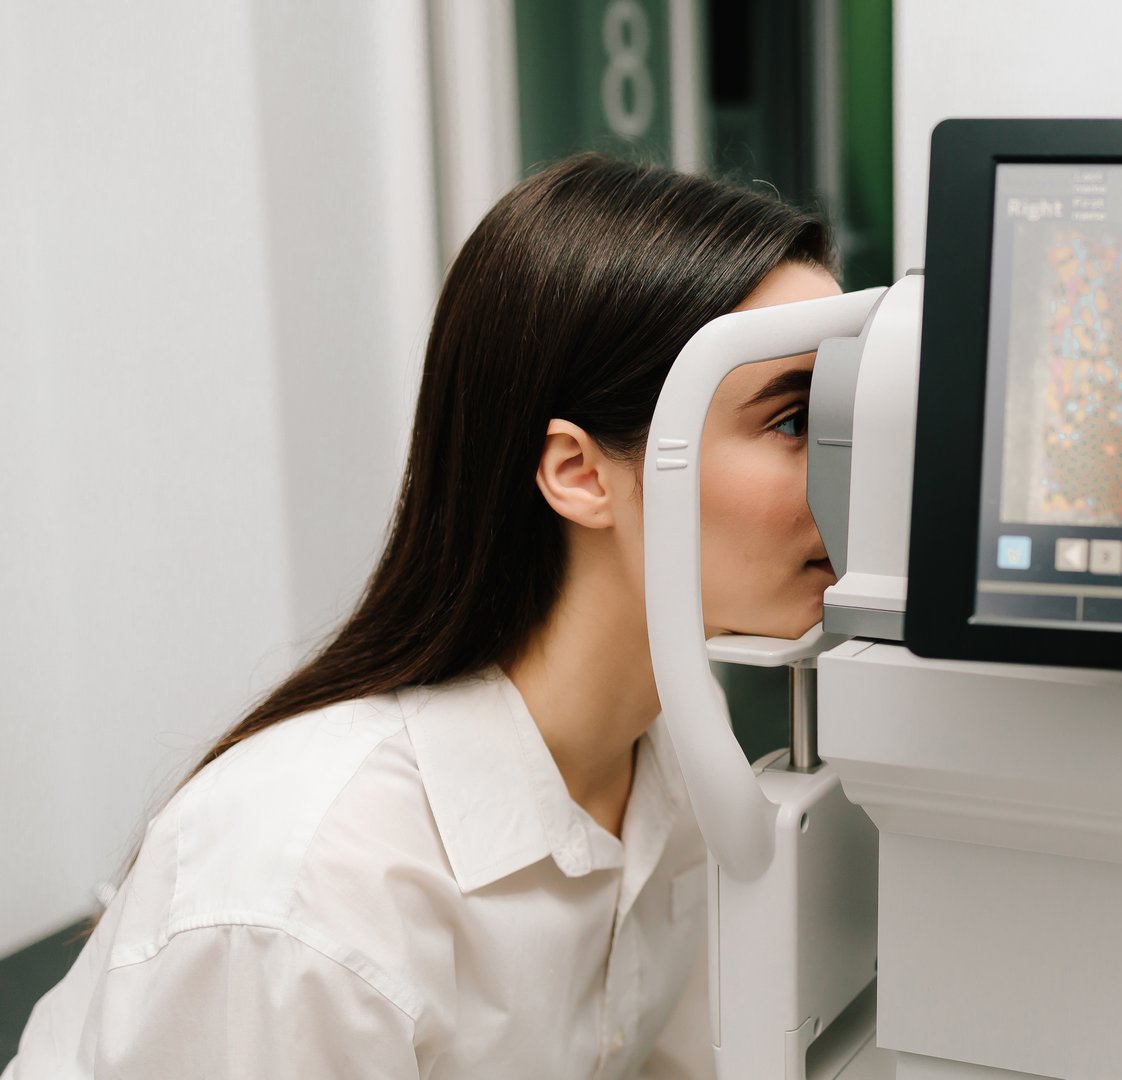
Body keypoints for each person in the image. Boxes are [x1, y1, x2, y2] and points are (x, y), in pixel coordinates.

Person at [4, 153, 842, 1079]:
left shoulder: (674, 754)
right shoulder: (311, 892)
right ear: (577, 473)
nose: (854, 479)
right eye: (795, 420)